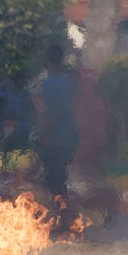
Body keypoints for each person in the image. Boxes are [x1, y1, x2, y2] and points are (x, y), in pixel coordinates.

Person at [37, 45, 78, 196]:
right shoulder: (69, 81)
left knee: (53, 182)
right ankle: (63, 211)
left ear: (48, 61)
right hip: (70, 135)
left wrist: (46, 136)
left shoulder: (49, 83)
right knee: (60, 178)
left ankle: (56, 214)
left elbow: (51, 112)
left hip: (55, 139)